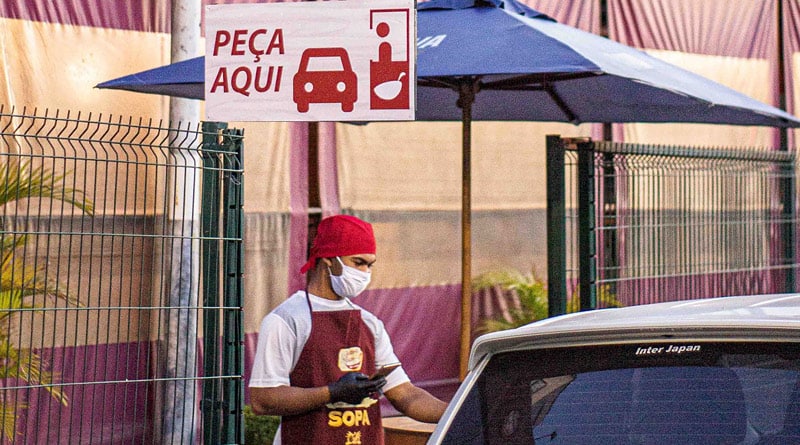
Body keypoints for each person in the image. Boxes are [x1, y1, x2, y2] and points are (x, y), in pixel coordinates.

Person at [249, 214, 447, 445]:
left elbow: (405, 394)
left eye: (370, 264)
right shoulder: (286, 320)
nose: (365, 273)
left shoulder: (369, 323)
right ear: (328, 260)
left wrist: (459, 411)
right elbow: (264, 399)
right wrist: (332, 392)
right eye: (358, 262)